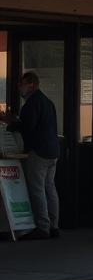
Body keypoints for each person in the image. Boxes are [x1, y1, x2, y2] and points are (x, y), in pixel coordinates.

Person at [2, 72, 61, 239]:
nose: (20, 87)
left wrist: (11, 124)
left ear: (31, 85)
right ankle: (54, 226)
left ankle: (42, 227)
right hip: (53, 151)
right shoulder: (48, 102)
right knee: (50, 188)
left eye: (22, 84)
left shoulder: (32, 104)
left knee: (37, 189)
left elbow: (28, 126)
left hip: (39, 152)